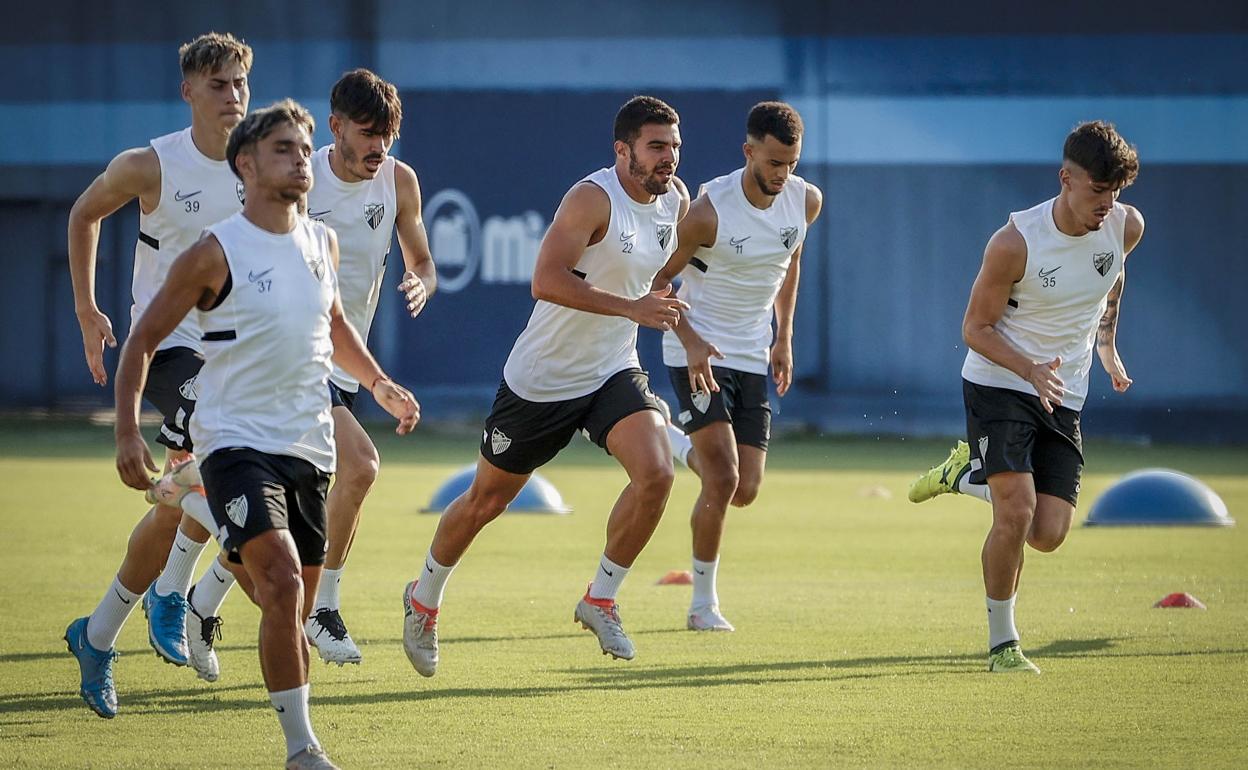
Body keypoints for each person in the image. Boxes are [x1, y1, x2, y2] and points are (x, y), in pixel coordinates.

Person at [113, 100, 418, 769]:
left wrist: (377, 383)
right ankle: (303, 748)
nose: (300, 161)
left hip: (307, 444)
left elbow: (334, 324)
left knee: (290, 597)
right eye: (284, 149)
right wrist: (130, 434)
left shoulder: (321, 242)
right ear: (245, 164)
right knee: (280, 583)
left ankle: (198, 597)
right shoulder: (213, 251)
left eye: (304, 150)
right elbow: (142, 340)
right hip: (233, 442)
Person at [401, 95, 689, 675]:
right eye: (657, 147)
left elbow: (654, 277)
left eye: (675, 147)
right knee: (486, 501)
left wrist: (668, 320)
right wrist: (631, 307)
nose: (669, 159)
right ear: (622, 149)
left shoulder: (675, 202)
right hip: (542, 380)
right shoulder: (591, 198)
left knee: (657, 474)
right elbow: (544, 279)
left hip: (611, 369)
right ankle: (423, 597)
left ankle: (600, 598)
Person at [178, 68, 436, 674]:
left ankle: (201, 597)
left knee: (285, 511)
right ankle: (323, 608)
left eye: (389, 137)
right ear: (338, 126)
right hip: (287, 359)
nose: (379, 149)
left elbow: (422, 257)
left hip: (344, 364)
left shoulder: (399, 181)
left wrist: (420, 280)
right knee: (362, 466)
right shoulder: (296, 178)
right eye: (369, 134)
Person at [63, 32, 252, 717]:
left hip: (241, 353)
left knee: (188, 487)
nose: (233, 96)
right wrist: (87, 308)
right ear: (189, 92)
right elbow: (85, 214)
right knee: (221, 461)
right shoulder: (152, 165)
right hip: (170, 348)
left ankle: (99, 632)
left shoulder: (258, 161)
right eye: (219, 85)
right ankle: (176, 595)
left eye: (239, 84)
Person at [910, 121, 1143, 673]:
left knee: (1047, 534)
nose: (1106, 204)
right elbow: (974, 327)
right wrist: (1031, 369)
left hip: (1066, 391)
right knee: (1015, 512)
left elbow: (1111, 282)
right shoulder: (1014, 242)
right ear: (1065, 178)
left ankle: (967, 474)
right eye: (1096, 191)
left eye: (1115, 192)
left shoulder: (1126, 225)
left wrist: (1107, 347)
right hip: (999, 381)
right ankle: (1003, 644)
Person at [652, 101, 822, 631]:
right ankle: (703, 605)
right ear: (748, 151)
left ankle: (669, 434)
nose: (782, 174)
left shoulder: (806, 201)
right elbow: (653, 283)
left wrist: (784, 338)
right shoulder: (708, 211)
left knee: (745, 487)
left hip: (752, 353)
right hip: (694, 350)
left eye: (790, 163)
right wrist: (690, 337)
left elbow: (789, 262)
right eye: (773, 162)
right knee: (722, 477)